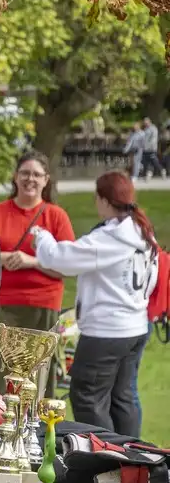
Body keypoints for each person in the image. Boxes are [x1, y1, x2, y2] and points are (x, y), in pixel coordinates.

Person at [32, 171, 156, 438]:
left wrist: (41, 237)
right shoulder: (142, 231)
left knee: (87, 396)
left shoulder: (110, 237)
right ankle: (132, 457)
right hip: (135, 325)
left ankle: (108, 457)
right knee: (123, 397)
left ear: (103, 199)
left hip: (106, 332)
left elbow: (62, 259)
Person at [0, 150, 74, 396]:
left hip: (42, 305)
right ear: (15, 177)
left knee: (39, 374)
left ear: (46, 180)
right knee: (1, 374)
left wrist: (31, 262)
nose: (30, 179)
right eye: (25, 173)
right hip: (2, 304)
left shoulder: (55, 216)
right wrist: (4, 258)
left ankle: (35, 429)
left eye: (37, 174)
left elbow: (65, 267)